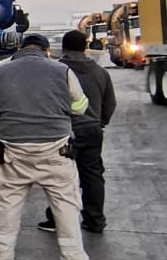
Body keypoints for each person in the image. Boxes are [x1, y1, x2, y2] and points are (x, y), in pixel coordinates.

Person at [0, 33, 102, 260]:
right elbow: (79, 107)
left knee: (8, 204)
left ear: (20, 49)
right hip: (55, 150)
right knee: (65, 205)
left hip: (14, 150)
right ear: (46, 50)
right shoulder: (61, 70)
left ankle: (1, 257)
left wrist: (3, 117)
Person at [38, 30, 117, 234]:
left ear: (63, 47)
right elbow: (110, 103)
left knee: (59, 177)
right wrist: (100, 122)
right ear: (85, 47)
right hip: (92, 130)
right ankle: (95, 220)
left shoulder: (56, 71)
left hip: (63, 131)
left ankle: (57, 219)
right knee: (93, 176)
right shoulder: (101, 72)